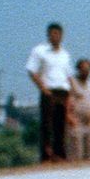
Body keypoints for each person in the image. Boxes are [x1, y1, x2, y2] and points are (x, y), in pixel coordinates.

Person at [26, 22, 73, 162]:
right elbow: (31, 70)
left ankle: (60, 154)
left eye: (57, 34)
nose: (55, 36)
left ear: (62, 35)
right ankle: (46, 156)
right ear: (48, 35)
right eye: (52, 34)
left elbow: (69, 75)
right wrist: (43, 88)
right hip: (49, 91)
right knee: (47, 125)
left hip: (63, 91)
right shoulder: (40, 51)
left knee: (60, 125)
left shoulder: (65, 54)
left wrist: (71, 94)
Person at [65, 58, 90, 161]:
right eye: (83, 69)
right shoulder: (72, 82)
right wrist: (68, 116)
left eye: (88, 69)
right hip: (76, 121)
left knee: (88, 154)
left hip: (88, 121)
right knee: (76, 153)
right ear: (78, 69)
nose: (86, 72)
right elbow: (67, 99)